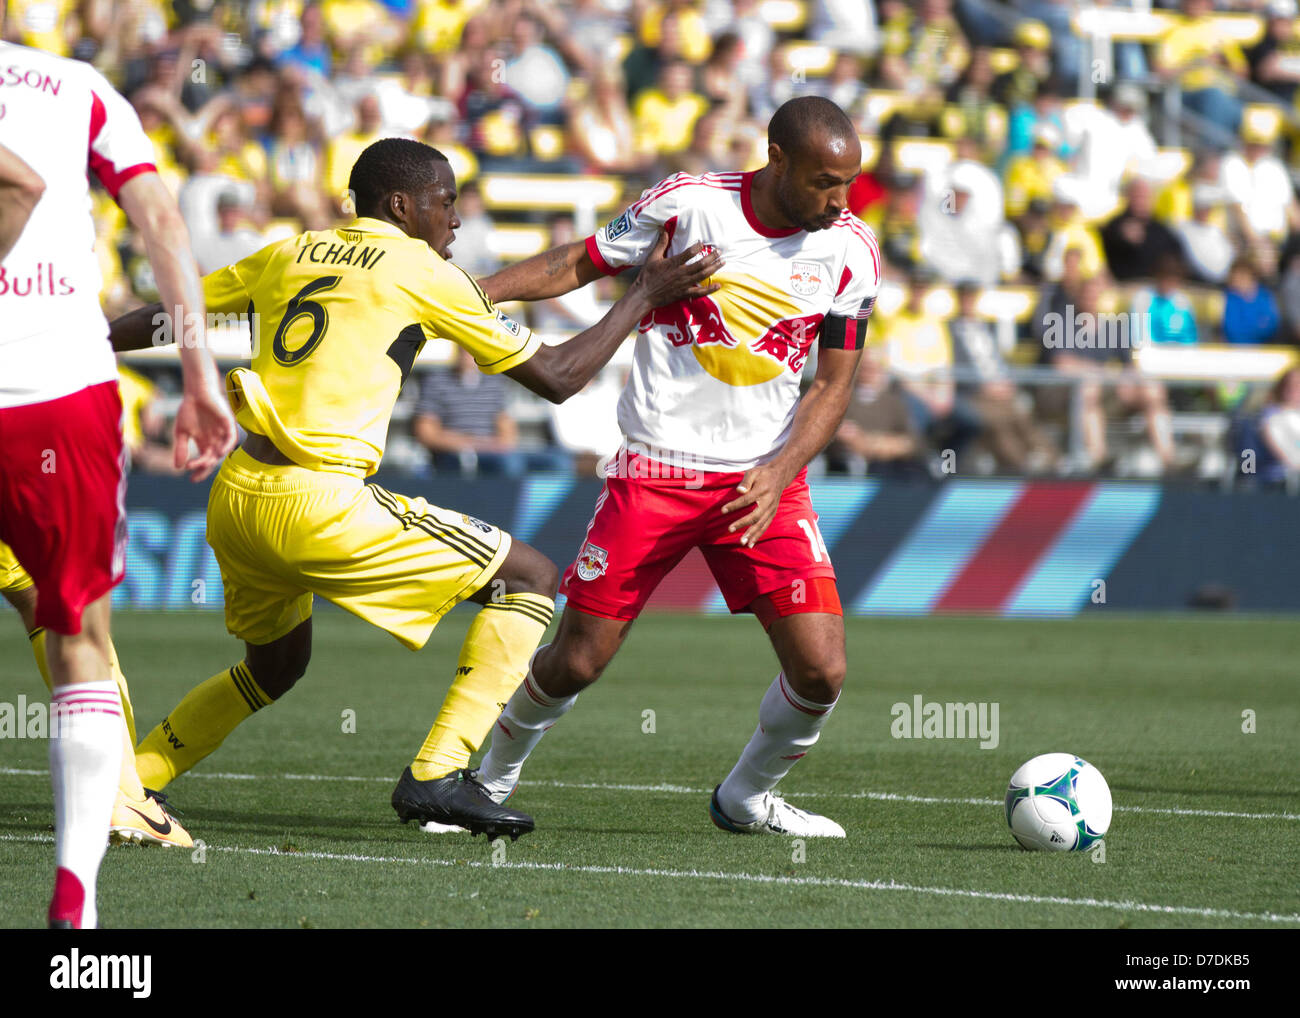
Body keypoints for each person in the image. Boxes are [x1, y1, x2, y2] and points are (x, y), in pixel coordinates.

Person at [108, 138, 720, 841]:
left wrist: (89, 341)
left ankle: (136, 779)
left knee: (275, 665)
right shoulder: (420, 270)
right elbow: (558, 377)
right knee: (528, 577)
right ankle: (436, 773)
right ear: (402, 205)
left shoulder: (292, 251)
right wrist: (643, 292)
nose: (454, 220)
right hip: (318, 500)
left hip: (239, 495)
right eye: (446, 201)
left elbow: (173, 314)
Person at [473, 97, 882, 838]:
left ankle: (746, 798)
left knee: (821, 670)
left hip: (764, 482)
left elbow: (834, 383)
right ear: (777, 159)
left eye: (849, 182)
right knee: (578, 660)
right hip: (655, 472)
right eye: (825, 181)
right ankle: (487, 779)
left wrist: (780, 468)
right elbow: (578, 261)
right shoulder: (689, 205)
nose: (839, 200)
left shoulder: (851, 249)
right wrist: (473, 297)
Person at [0, 39, 236, 929]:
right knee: (79, 637)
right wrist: (199, 373)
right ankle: (76, 899)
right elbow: (164, 226)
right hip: (60, 393)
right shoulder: (78, 88)